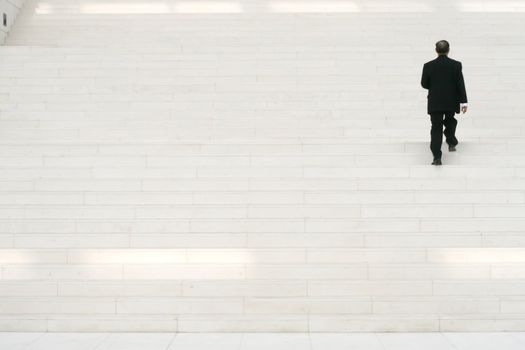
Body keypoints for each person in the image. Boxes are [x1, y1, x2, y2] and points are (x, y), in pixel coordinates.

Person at [421, 40, 468, 165]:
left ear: (436, 50)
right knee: (450, 120)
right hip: (450, 101)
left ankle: (437, 157)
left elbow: (424, 84)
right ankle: (451, 141)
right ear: (448, 50)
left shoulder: (428, 65)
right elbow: (460, 84)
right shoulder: (456, 65)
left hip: (435, 101)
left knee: (436, 127)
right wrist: (464, 102)